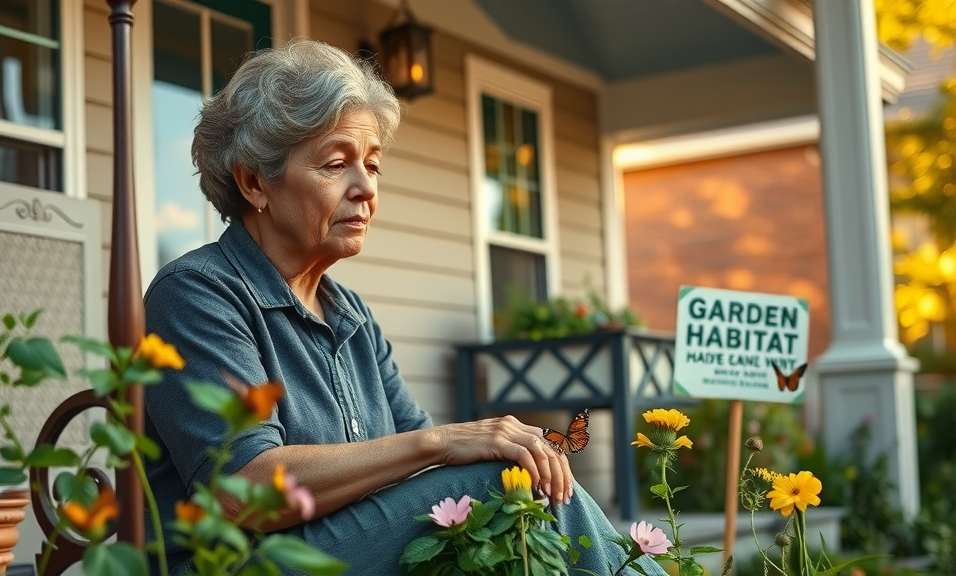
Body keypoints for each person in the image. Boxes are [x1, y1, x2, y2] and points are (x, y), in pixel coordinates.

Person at [143, 38, 667, 576]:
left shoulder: (349, 315)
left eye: (372, 165)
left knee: (505, 481)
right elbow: (245, 491)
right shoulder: (196, 293)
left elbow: (427, 476)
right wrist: (444, 442)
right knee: (496, 480)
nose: (366, 188)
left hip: (345, 553)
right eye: (335, 164)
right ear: (254, 181)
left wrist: (467, 448)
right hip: (240, 565)